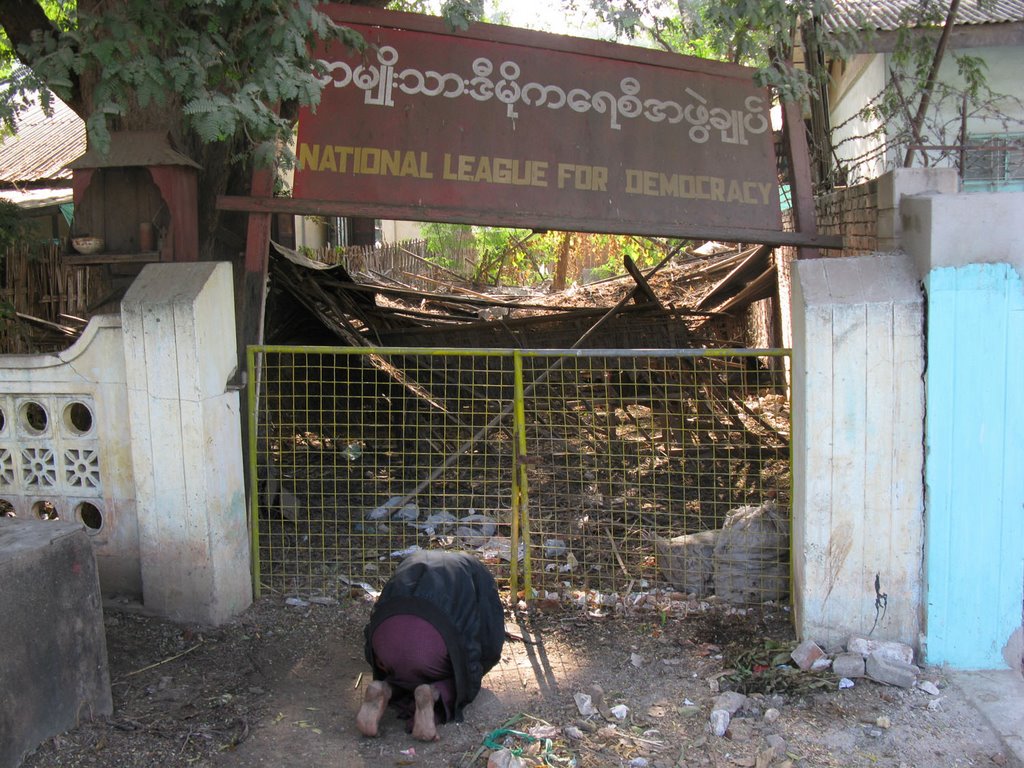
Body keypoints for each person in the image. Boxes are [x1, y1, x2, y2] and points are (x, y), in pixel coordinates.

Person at [356, 549, 505, 741]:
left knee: (404, 670)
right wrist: (474, 673)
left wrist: (376, 658)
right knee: (461, 678)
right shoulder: (476, 572)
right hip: (430, 644)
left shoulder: (410, 561)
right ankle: (433, 696)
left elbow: (376, 615)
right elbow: (489, 633)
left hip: (384, 639)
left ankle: (385, 687)